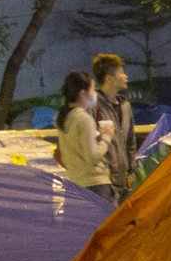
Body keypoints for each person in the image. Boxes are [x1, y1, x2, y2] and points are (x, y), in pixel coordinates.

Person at [55, 71, 116, 202]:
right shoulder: (84, 119)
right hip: (95, 185)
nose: (95, 94)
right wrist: (106, 137)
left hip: (76, 183)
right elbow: (92, 156)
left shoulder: (64, 118)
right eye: (93, 89)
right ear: (83, 94)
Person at [89, 52, 135, 193]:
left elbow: (130, 141)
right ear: (109, 79)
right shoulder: (93, 106)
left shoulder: (125, 105)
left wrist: (132, 170)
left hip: (125, 182)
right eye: (121, 73)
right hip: (103, 183)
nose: (126, 76)